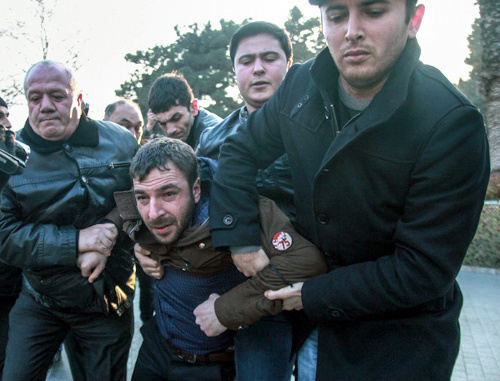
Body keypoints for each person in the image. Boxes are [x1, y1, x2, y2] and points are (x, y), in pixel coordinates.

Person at [207, 0, 491, 380]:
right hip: (305, 327)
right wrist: (239, 237)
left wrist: (311, 294)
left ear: (414, 19)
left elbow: (422, 269)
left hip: (394, 345)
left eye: (373, 12)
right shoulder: (299, 84)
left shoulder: (451, 123)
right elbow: (240, 149)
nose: (351, 30)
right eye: (337, 15)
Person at [113, 137, 327, 381]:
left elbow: (307, 262)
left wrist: (227, 309)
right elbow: (129, 218)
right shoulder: (140, 209)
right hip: (157, 351)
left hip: (217, 365)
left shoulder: (238, 211)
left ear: (196, 190)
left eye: (169, 193)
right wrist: (140, 248)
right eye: (142, 198)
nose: (153, 213)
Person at [0, 60, 138, 380]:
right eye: (35, 98)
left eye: (57, 96)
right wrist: (77, 242)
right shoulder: (10, 159)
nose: (45, 106)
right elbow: (4, 235)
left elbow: (139, 199)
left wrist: (108, 233)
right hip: (40, 299)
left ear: (78, 99)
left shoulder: (121, 142)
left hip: (106, 299)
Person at [196, 21, 298, 380]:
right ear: (234, 70)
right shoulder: (211, 140)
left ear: (289, 62)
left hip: (323, 283)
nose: (257, 68)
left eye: (270, 58)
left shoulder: (324, 126)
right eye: (246, 60)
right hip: (252, 294)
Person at [104, 98, 155, 323]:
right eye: (125, 126)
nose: (133, 133)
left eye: (138, 127)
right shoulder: (84, 163)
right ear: (104, 123)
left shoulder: (147, 159)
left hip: (133, 261)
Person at [0, 97, 22, 377]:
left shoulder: (14, 157)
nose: (7, 124)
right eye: (0, 117)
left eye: (7, 116)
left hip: (10, 286)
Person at [144, 72, 222, 149]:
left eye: (176, 118)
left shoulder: (215, 136)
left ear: (194, 107)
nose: (170, 130)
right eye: (162, 123)